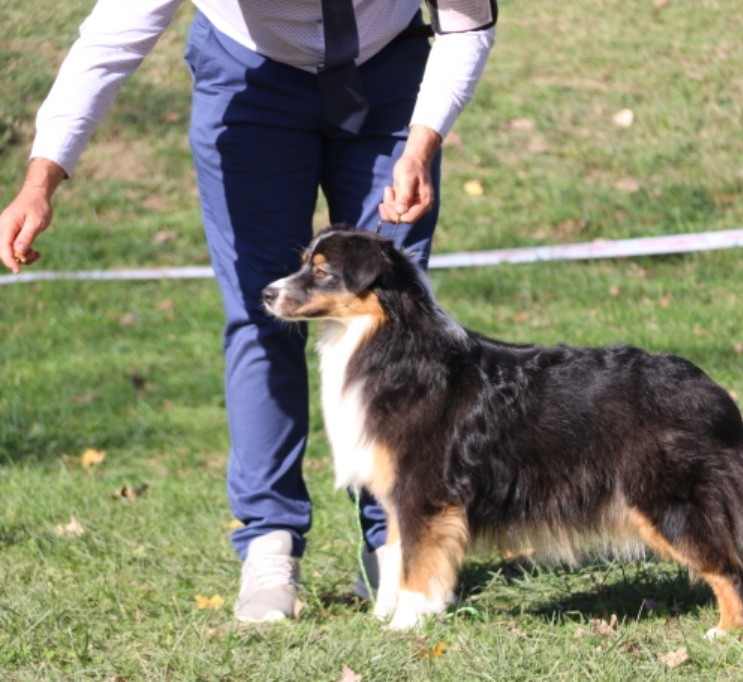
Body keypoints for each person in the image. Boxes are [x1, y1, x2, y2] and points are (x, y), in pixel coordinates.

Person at [0, 0, 496, 622]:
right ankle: (270, 540)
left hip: (392, 74)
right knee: (261, 313)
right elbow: (111, 36)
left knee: (396, 315)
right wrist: (41, 180)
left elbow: (468, 20)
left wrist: (423, 141)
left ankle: (396, 539)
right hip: (251, 82)